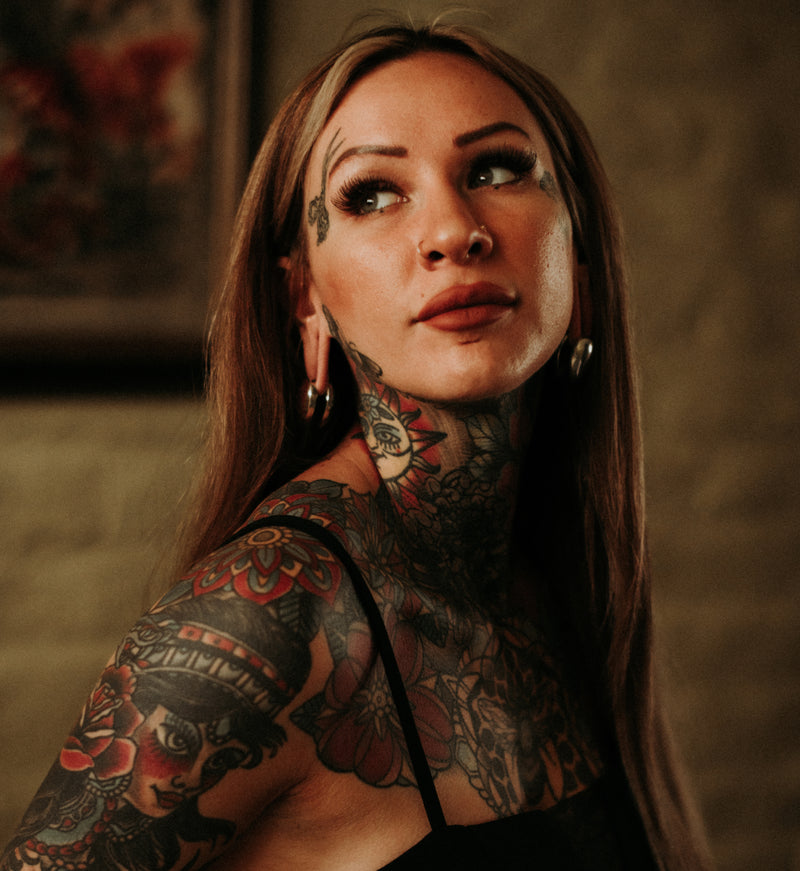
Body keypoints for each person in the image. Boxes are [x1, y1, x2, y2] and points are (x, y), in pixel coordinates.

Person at [1, 20, 713, 871]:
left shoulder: (548, 579)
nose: (453, 231)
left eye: (496, 169)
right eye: (371, 193)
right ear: (307, 300)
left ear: (581, 268)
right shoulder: (271, 610)